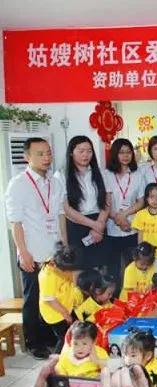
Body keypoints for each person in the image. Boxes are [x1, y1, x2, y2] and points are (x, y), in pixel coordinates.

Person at [5, 137, 66, 358]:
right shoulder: (18, 184)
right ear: (27, 157)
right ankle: (33, 342)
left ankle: (49, 336)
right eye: (40, 154)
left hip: (53, 252)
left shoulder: (55, 183)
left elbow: (60, 215)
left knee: (52, 297)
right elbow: (15, 222)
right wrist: (23, 252)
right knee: (33, 298)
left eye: (48, 153)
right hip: (32, 252)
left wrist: (64, 247)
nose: (46, 157)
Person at [60, 135, 110, 270]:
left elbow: (107, 201)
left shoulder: (101, 173)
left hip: (99, 221)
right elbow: (66, 208)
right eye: (81, 151)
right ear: (71, 153)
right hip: (76, 225)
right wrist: (94, 225)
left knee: (99, 268)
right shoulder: (61, 175)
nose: (85, 155)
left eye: (89, 151)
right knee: (79, 269)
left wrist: (99, 224)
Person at [104, 138, 145, 293]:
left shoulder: (137, 174)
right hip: (112, 229)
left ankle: (132, 300)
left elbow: (141, 201)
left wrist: (124, 215)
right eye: (121, 152)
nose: (126, 156)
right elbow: (105, 202)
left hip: (132, 228)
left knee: (132, 268)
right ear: (115, 154)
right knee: (113, 270)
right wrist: (119, 219)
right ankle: (114, 299)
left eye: (128, 152)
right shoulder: (107, 174)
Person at [38, 242, 81, 353]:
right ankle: (54, 360)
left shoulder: (64, 260)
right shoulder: (47, 276)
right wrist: (66, 315)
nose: (69, 273)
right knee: (65, 338)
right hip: (55, 313)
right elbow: (50, 300)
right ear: (57, 266)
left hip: (66, 306)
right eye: (66, 271)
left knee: (72, 334)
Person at [131, 183, 157, 273]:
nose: (155, 200)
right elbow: (140, 234)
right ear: (146, 198)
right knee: (145, 277)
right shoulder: (140, 214)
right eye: (151, 197)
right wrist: (140, 252)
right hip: (145, 255)